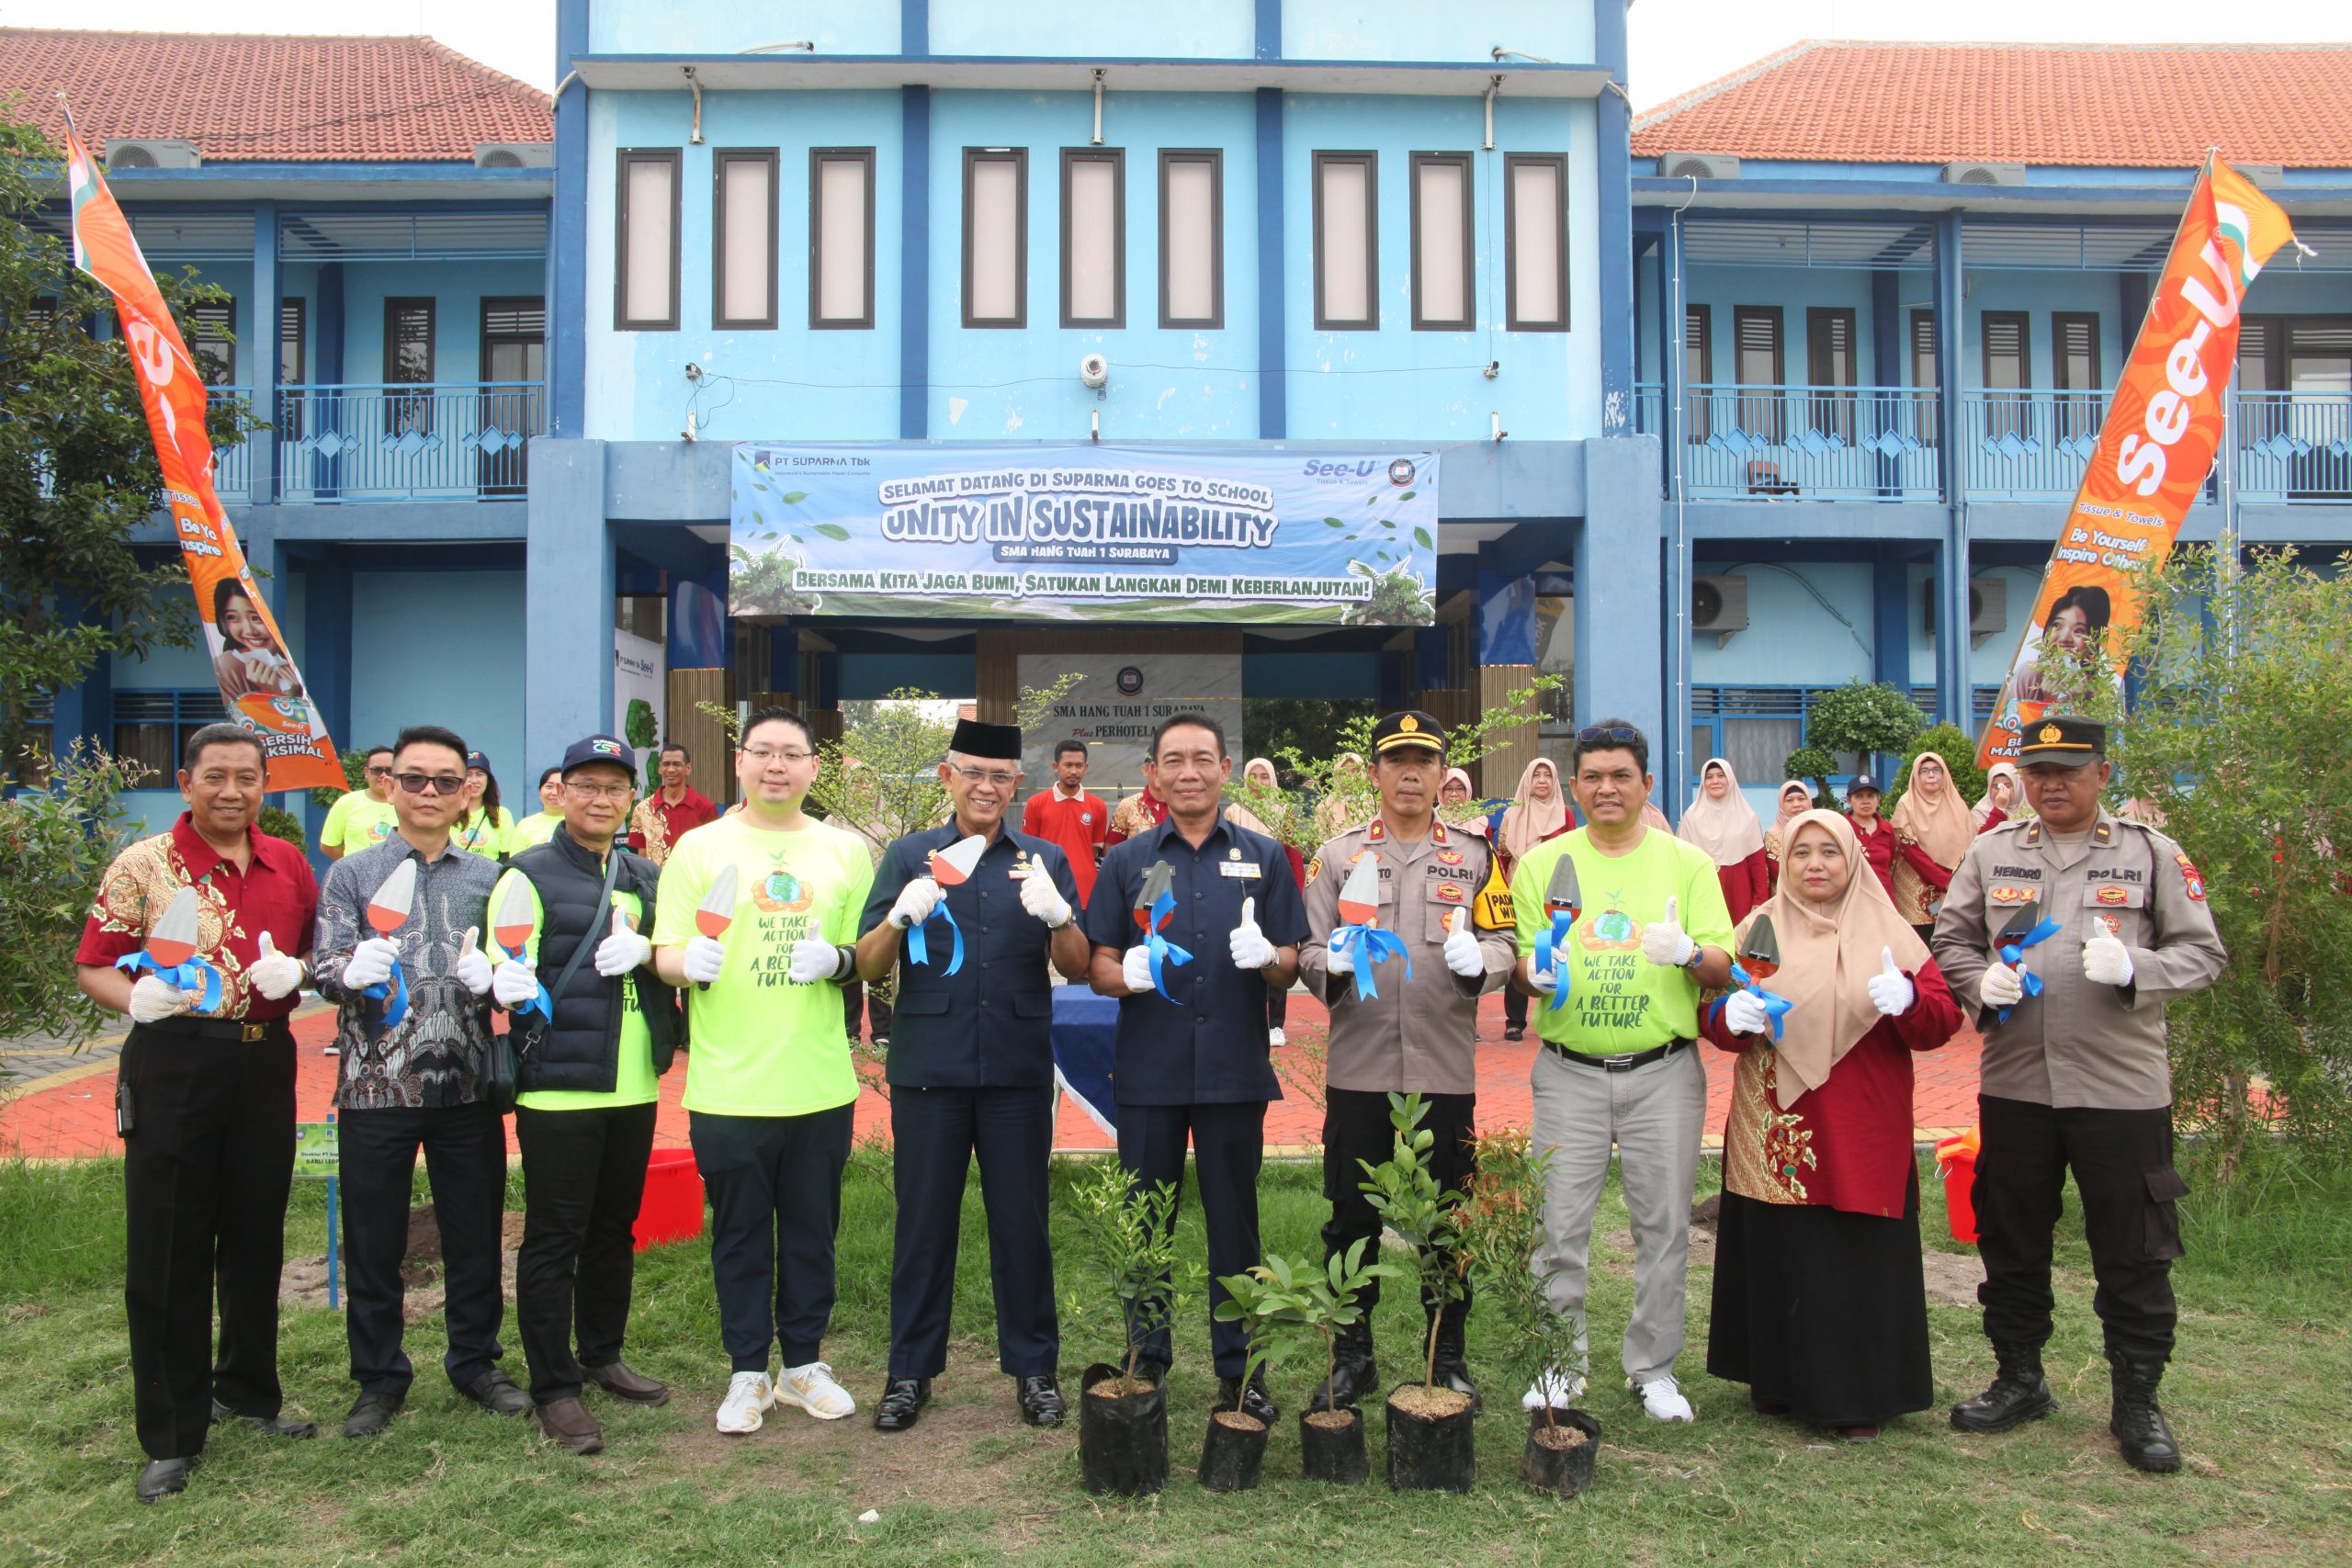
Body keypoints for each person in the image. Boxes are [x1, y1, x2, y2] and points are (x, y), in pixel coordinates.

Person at [1932, 717, 2225, 1474]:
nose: (2050, 783)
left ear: (2100, 772)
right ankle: (2019, 1377)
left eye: (2067, 769)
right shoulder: (1993, 852)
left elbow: (2203, 952)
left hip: (2120, 1090)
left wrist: (2137, 966)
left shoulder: (2150, 854)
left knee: (2132, 1250)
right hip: (2017, 1084)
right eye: (2037, 771)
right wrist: (1978, 983)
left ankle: (2137, 1399)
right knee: (2012, 1235)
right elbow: (1951, 940)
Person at [74, 723, 321, 1503]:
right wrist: (133, 997)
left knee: (255, 1232)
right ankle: (173, 1430)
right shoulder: (145, 864)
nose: (232, 791)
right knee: (171, 1242)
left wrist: (304, 973)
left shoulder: (288, 862)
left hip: (263, 1060)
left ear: (263, 786)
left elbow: (310, 955)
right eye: (215, 776)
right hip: (175, 1058)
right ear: (187, 783)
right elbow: (94, 963)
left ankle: (247, 1389)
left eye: (247, 777)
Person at [857, 719, 1088, 1433]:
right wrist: (899, 917)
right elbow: (867, 963)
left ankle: (1035, 1370)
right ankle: (908, 1372)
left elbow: (1079, 965)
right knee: (923, 1224)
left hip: (1017, 1070)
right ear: (946, 778)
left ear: (1017, 785)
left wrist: (1058, 916)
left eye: (1000, 777)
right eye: (972, 773)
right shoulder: (907, 854)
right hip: (931, 1068)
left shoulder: (1042, 856)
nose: (986, 787)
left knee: (1022, 1224)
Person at [1702, 809, 1962, 1440]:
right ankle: (1777, 1379)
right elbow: (1717, 1019)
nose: (1815, 864)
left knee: (1849, 1251)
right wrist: (1724, 1015)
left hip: (1858, 1119)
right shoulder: (1757, 929)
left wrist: (1909, 1000)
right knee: (1778, 1244)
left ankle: (1854, 1393)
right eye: (1801, 853)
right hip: (1775, 1120)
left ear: (1853, 862)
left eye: (1830, 852)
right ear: (1783, 862)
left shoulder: (1890, 933)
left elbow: (1941, 1020)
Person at [650, 709, 875, 1434]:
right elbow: (665, 949)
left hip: (817, 1082)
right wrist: (689, 962)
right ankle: (748, 1369)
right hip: (729, 1083)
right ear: (740, 762)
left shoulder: (845, 852)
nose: (777, 765)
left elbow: (864, 954)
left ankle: (804, 1364)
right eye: (763, 752)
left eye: (793, 754)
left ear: (815, 767)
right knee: (740, 1231)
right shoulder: (698, 847)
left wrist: (837, 962)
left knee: (813, 1229)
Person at [1087, 714, 1311, 1422]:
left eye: (1203, 759)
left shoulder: (1266, 855)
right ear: (1152, 774)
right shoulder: (1126, 861)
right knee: (1145, 1221)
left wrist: (1268, 959)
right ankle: (1146, 1360)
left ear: (1224, 768)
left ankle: (1241, 1368)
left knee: (1234, 1224)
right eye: (1173, 760)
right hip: (1149, 1068)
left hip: (1231, 1069)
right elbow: (1095, 962)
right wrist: (1123, 973)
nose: (1189, 771)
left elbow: (1292, 960)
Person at [1512, 719, 1736, 1424]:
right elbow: (1522, 958)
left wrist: (1687, 950)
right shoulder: (1542, 865)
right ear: (1574, 786)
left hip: (1663, 1071)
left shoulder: (1687, 864)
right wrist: (1532, 971)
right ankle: (1558, 1361)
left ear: (1645, 784)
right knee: (1559, 1223)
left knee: (1665, 1225)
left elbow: (1725, 966)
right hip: (1569, 1071)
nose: (1607, 787)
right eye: (1594, 776)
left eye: (1622, 775)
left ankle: (1654, 1368)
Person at [1299, 712, 1516, 1411]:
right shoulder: (1338, 857)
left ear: (1443, 772)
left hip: (1444, 1071)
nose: (1412, 773)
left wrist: (1480, 959)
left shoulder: (1476, 856)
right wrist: (1324, 962)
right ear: (1375, 774)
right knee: (1349, 1216)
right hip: (1359, 1068)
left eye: (1425, 758)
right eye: (1398, 760)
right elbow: (1305, 948)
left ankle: (1445, 1354)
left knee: (1448, 1219)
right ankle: (1353, 1355)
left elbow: (1508, 941)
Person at [311, 725, 520, 1439]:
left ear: (469, 790)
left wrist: (499, 981)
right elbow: (321, 964)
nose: (428, 792)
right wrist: (346, 972)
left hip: (465, 1086)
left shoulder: (491, 878)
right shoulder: (354, 874)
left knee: (475, 1232)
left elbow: (514, 971)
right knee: (373, 1239)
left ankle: (475, 1361)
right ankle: (378, 1376)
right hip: (376, 1085)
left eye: (444, 779)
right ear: (389, 785)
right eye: (413, 778)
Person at [486, 735, 683, 1455]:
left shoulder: (645, 873)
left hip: (632, 1084)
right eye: (588, 786)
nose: (602, 800)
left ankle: (603, 1352)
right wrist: (506, 980)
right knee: (554, 1236)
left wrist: (656, 956)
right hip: (559, 1088)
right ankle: (554, 1386)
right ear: (561, 792)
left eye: (615, 787)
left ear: (630, 796)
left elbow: (675, 952)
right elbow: (507, 965)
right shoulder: (526, 875)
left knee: (613, 1230)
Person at [1226, 756, 1308, 1046]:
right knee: (1245, 957)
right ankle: (1246, 1018)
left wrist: (1296, 894)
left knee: (1276, 956)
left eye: (1264, 776)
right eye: (1253, 775)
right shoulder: (1233, 813)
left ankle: (1275, 1025)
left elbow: (1294, 857)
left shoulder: (1284, 813)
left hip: (1275, 894)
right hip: (1240, 895)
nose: (1259, 782)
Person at [1497, 757, 1573, 1042]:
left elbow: (1571, 856)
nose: (1542, 780)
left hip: (1556, 892)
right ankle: (1514, 1020)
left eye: (1547, 775)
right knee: (1522, 949)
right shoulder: (1512, 814)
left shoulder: (1565, 815)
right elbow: (1502, 856)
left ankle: (1558, 1011)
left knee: (1558, 948)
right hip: (1520, 888)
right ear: (1527, 781)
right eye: (1536, 775)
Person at [1887, 753, 1972, 941]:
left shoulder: (1955, 802)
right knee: (1922, 943)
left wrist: (1956, 879)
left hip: (1953, 885)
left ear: (1944, 775)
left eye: (1936, 770)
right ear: (1916, 776)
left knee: (1952, 939)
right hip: (1919, 887)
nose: (1931, 775)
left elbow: (1972, 842)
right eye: (1924, 771)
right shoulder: (1907, 803)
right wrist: (1943, 880)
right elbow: (1910, 849)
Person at [1020, 738, 1110, 908]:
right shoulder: (1036, 803)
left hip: (1085, 890)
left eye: (1079, 765)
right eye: (1068, 765)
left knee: (1083, 936)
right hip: (1047, 888)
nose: (1074, 771)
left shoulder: (1098, 806)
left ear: (1086, 767)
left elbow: (1093, 850)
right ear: (1056, 766)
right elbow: (1030, 848)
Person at [1679, 757, 1770, 924]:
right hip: (1704, 891)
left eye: (1721, 775)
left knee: (1739, 943)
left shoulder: (1747, 817)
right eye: (1709, 777)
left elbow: (1757, 865)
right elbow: (1682, 866)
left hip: (1739, 891)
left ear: (1730, 779)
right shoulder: (1691, 818)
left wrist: (1759, 902)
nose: (1715, 781)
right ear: (1703, 783)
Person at [1844, 774, 1949, 908]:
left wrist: (1947, 882)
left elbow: (1907, 859)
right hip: (1852, 902)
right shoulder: (1841, 828)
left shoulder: (1888, 830)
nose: (1865, 801)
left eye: (1871, 796)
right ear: (1849, 800)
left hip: (1884, 901)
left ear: (1879, 799)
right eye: (1859, 796)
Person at [2012, 586, 2112, 710]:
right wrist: (2050, 701)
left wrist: (2077, 699)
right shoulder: (2030, 675)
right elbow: (2010, 725)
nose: (2064, 638)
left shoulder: (2098, 689)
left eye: (2079, 630)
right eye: (2057, 625)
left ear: (2095, 638)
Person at [208, 578, 303, 704]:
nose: (249, 631)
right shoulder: (228, 666)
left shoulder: (285, 663)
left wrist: (294, 694)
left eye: (256, 618)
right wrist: (270, 693)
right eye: (233, 617)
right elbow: (243, 720)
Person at [631, 743, 720, 865]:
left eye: (677, 764)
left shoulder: (706, 807)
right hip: (654, 882)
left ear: (688, 769)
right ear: (659, 769)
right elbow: (641, 855)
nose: (671, 769)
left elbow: (713, 852)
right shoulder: (643, 809)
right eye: (666, 764)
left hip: (692, 881)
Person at [319, 746, 398, 863]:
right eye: (377, 770)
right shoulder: (347, 803)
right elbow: (328, 845)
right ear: (366, 772)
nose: (383, 775)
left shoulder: (409, 804)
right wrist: (353, 866)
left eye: (389, 771)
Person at [452, 751, 518, 859]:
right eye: (468, 774)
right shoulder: (449, 812)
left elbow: (507, 856)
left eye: (480, 774)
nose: (474, 780)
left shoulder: (502, 814)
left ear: (488, 781)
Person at [1763, 780, 1815, 892]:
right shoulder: (1774, 835)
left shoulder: (1822, 829)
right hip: (1785, 896)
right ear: (1782, 805)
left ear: (1809, 801)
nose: (1796, 804)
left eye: (1801, 799)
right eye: (1789, 800)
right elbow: (1777, 871)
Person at [1105, 760, 1169, 847]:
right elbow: (1111, 850)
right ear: (1145, 770)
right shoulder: (1127, 806)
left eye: (1165, 767)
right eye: (1153, 767)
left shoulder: (1186, 806)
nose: (1158, 772)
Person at [1310, 750, 1369, 842]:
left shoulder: (1377, 802)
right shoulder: (1325, 808)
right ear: (1336, 776)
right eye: (1344, 773)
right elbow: (1320, 844)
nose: (1350, 777)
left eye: (1355, 771)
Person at [512, 766, 567, 850]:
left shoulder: (579, 824)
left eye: (561, 787)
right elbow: (515, 861)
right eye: (549, 787)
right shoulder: (525, 825)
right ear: (540, 792)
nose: (555, 793)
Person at [1973, 762, 2021, 832]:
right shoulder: (1980, 811)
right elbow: (1981, 839)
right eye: (1996, 787)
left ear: (2017, 787)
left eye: (2007, 786)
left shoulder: (2030, 806)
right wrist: (1999, 809)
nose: (2001, 791)